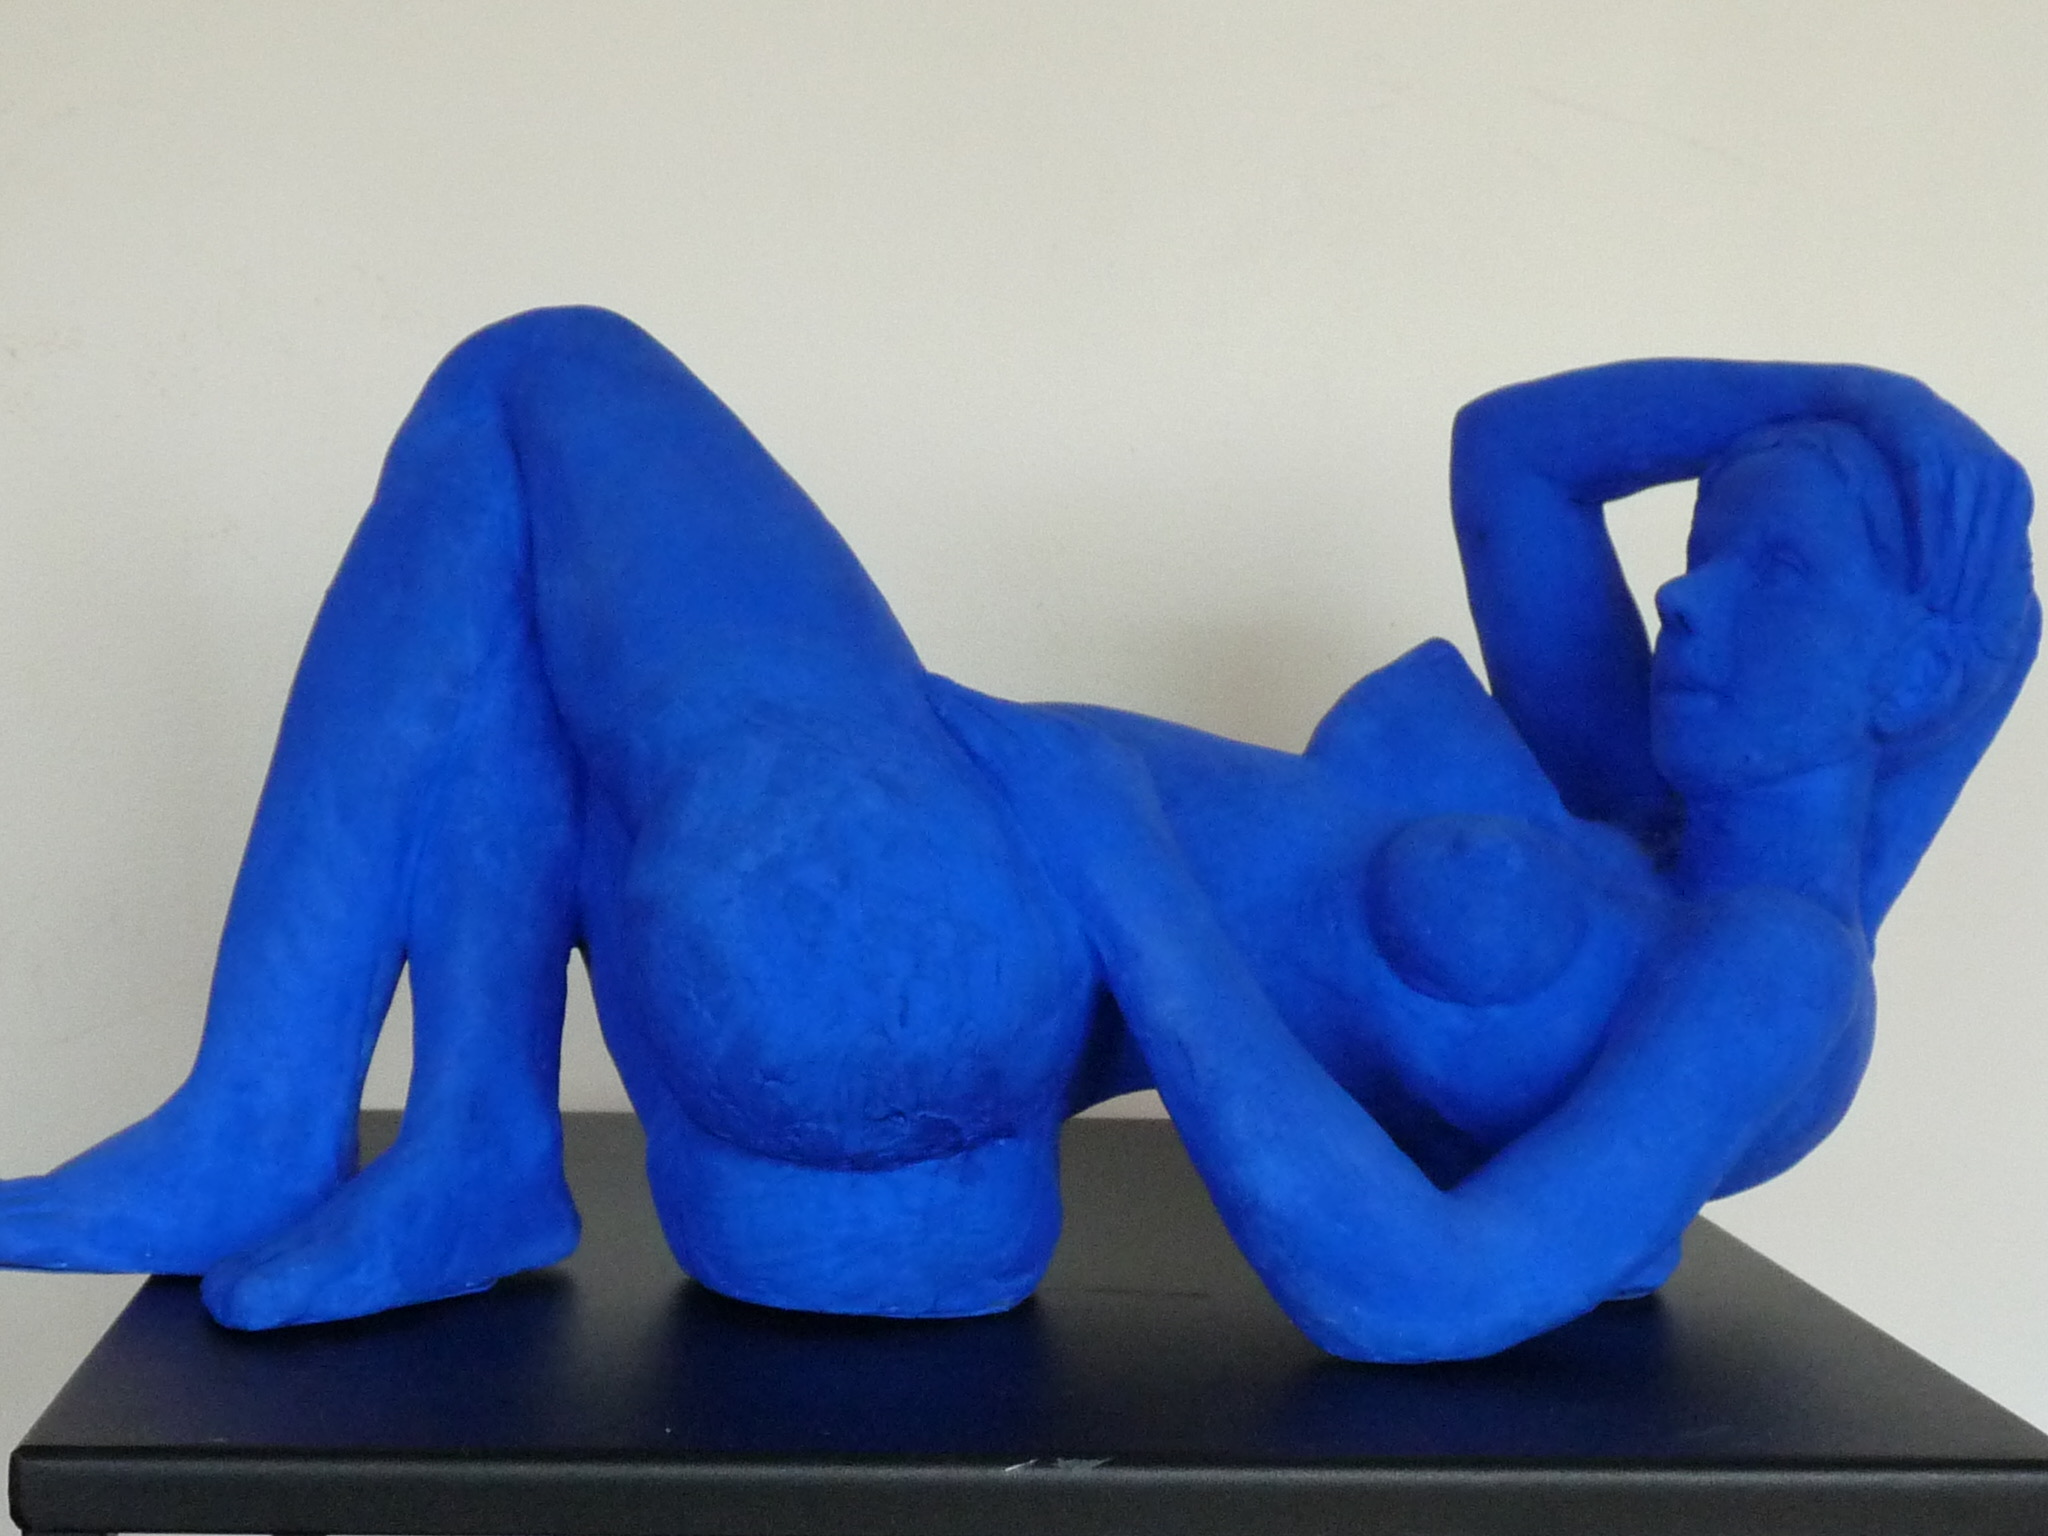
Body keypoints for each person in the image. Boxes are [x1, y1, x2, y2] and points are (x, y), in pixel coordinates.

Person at [0, 311, 2031, 1358]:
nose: (1688, 598)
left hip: (934, 946)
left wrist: (1119, 859)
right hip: (916, 1048)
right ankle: (460, 1145)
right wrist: (1849, 391)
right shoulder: (1639, 802)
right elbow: (1512, 451)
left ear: (1908, 668)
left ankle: (287, 1119)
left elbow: (1427, 1291)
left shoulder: (1768, 967)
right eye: (1704, 548)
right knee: (526, 544)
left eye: (1771, 574)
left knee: (541, 383)